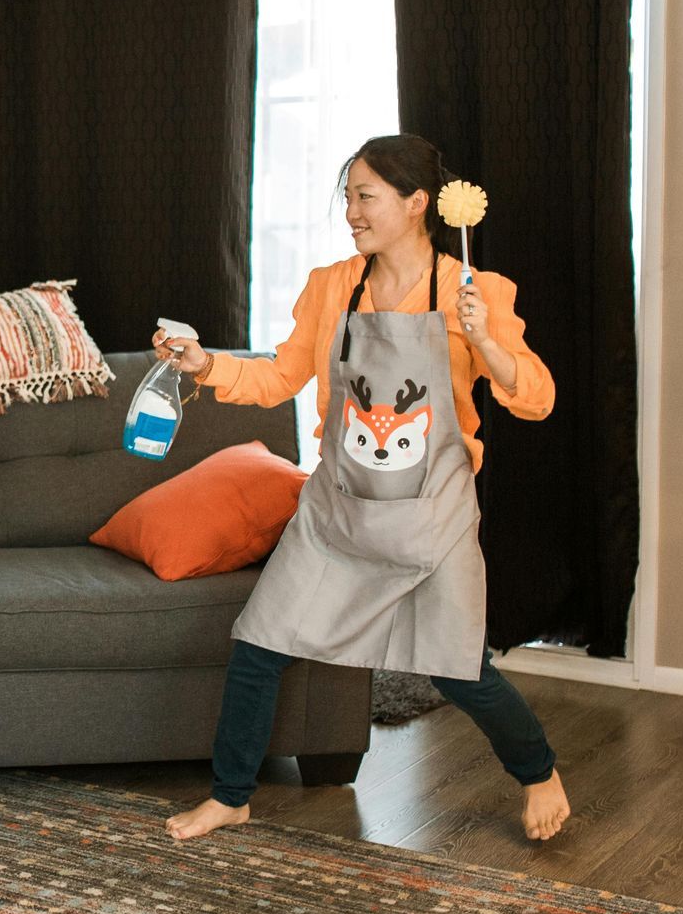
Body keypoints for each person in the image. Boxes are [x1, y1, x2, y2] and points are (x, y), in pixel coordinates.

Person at [155, 134, 572, 844]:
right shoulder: (330, 286)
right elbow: (279, 379)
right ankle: (231, 795)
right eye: (347, 196)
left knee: (458, 670)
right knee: (259, 644)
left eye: (365, 196)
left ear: (416, 204)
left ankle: (539, 773)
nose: (350, 211)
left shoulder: (476, 292)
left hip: (430, 515)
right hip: (338, 510)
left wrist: (488, 342)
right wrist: (203, 363)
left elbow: (536, 400)